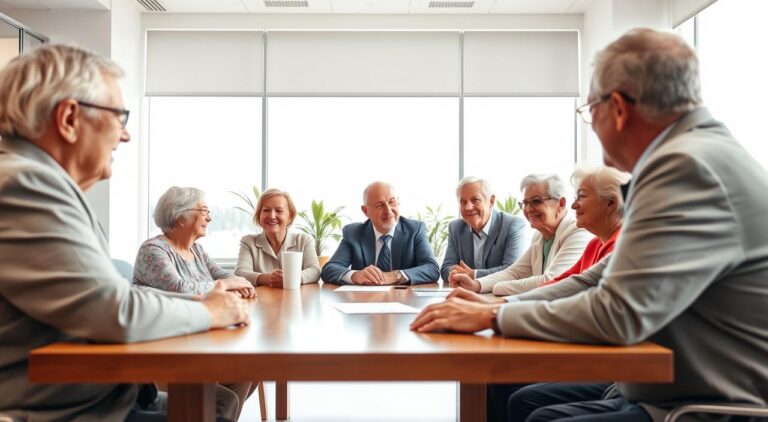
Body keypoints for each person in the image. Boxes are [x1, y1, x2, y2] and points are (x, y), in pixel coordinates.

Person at [412, 28, 768, 421]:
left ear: (616, 108)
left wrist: (494, 316)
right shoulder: (697, 155)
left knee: (537, 415)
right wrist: (496, 304)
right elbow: (593, 279)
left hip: (703, 407)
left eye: (588, 111)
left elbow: (617, 313)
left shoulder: (685, 168)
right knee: (524, 404)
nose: (591, 125)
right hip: (660, 388)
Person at [0, 44, 250, 421]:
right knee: (213, 407)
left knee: (221, 401)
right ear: (69, 118)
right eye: (119, 116)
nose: (126, 135)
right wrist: (208, 311)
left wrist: (203, 305)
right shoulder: (25, 186)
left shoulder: (41, 182)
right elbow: (115, 311)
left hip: (101, 390)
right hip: (70, 409)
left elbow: (113, 297)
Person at [133, 186, 256, 420]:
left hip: (202, 337)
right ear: (180, 216)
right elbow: (181, 288)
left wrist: (235, 282)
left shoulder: (196, 250)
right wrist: (228, 285)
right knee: (227, 398)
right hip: (170, 350)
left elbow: (226, 277)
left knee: (249, 372)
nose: (210, 217)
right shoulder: (153, 250)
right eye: (204, 211)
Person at [449, 174, 592, 296]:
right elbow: (513, 273)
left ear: (561, 203)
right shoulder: (539, 237)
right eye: (525, 203)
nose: (528, 209)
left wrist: (498, 287)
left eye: (536, 201)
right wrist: (477, 285)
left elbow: (550, 281)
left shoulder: (578, 232)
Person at [321, 181, 440, 285]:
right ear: (366, 211)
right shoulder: (353, 233)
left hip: (404, 300)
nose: (388, 211)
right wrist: (355, 276)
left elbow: (432, 269)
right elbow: (329, 269)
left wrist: (395, 276)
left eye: (392, 202)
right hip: (365, 302)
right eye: (379, 205)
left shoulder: (414, 230)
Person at [439, 177, 528, 284]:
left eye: (475, 200)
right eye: (463, 202)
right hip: (466, 294)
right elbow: (445, 269)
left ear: (491, 201)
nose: (468, 207)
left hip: (500, 295)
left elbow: (512, 271)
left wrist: (473, 274)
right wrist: (453, 271)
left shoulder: (512, 225)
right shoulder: (456, 228)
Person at [235, 188, 321, 287]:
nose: (272, 216)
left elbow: (315, 270)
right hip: (260, 301)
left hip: (296, 299)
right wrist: (269, 278)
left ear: (290, 216)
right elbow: (240, 273)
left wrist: (291, 278)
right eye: (266, 210)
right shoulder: (248, 241)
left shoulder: (304, 240)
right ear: (259, 215)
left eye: (279, 211)